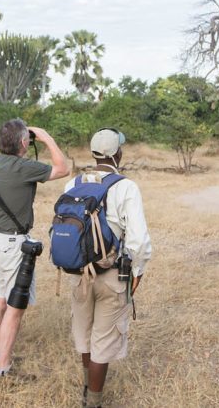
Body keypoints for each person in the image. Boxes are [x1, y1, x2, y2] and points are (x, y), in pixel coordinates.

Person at [68, 128, 152, 408]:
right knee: (103, 340)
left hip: (79, 274)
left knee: (85, 335)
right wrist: (137, 273)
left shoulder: (73, 184)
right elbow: (138, 241)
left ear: (92, 153)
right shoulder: (126, 187)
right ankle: (93, 401)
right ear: (117, 153)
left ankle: (85, 387)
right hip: (112, 275)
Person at [0, 118, 71, 378]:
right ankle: (4, 368)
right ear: (24, 142)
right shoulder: (23, 167)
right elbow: (63, 168)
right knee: (15, 306)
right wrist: (45, 137)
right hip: (12, 244)